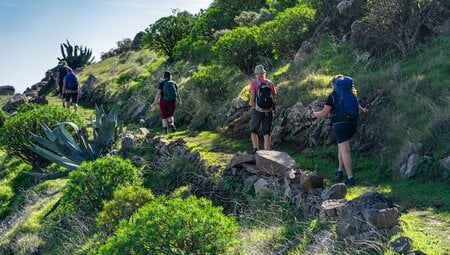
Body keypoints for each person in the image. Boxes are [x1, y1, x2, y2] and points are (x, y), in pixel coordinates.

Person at [309, 75, 367, 186]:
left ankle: (350, 178)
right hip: (353, 124)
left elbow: (324, 113)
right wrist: (365, 111)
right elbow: (361, 109)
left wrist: (313, 114)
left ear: (335, 85)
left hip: (340, 125)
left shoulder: (333, 96)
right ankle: (339, 171)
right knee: (342, 147)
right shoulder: (352, 95)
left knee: (345, 150)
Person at [248, 64, 277, 154]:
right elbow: (274, 96)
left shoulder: (254, 83)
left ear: (257, 74)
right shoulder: (270, 83)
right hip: (269, 110)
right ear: (264, 73)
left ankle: (255, 149)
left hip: (258, 110)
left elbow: (252, 98)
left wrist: (250, 104)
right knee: (266, 132)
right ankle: (267, 153)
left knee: (253, 129)